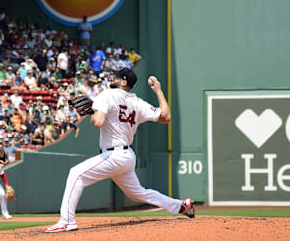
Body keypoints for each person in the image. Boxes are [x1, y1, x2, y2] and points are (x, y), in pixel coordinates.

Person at [45, 69, 194, 233]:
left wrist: (90, 113)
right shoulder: (137, 102)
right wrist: (158, 91)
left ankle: (67, 221)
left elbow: (98, 122)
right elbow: (165, 117)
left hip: (114, 155)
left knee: (76, 174)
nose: (112, 78)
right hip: (127, 156)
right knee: (138, 194)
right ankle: (181, 206)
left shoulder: (107, 95)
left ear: (123, 82)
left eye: (116, 77)